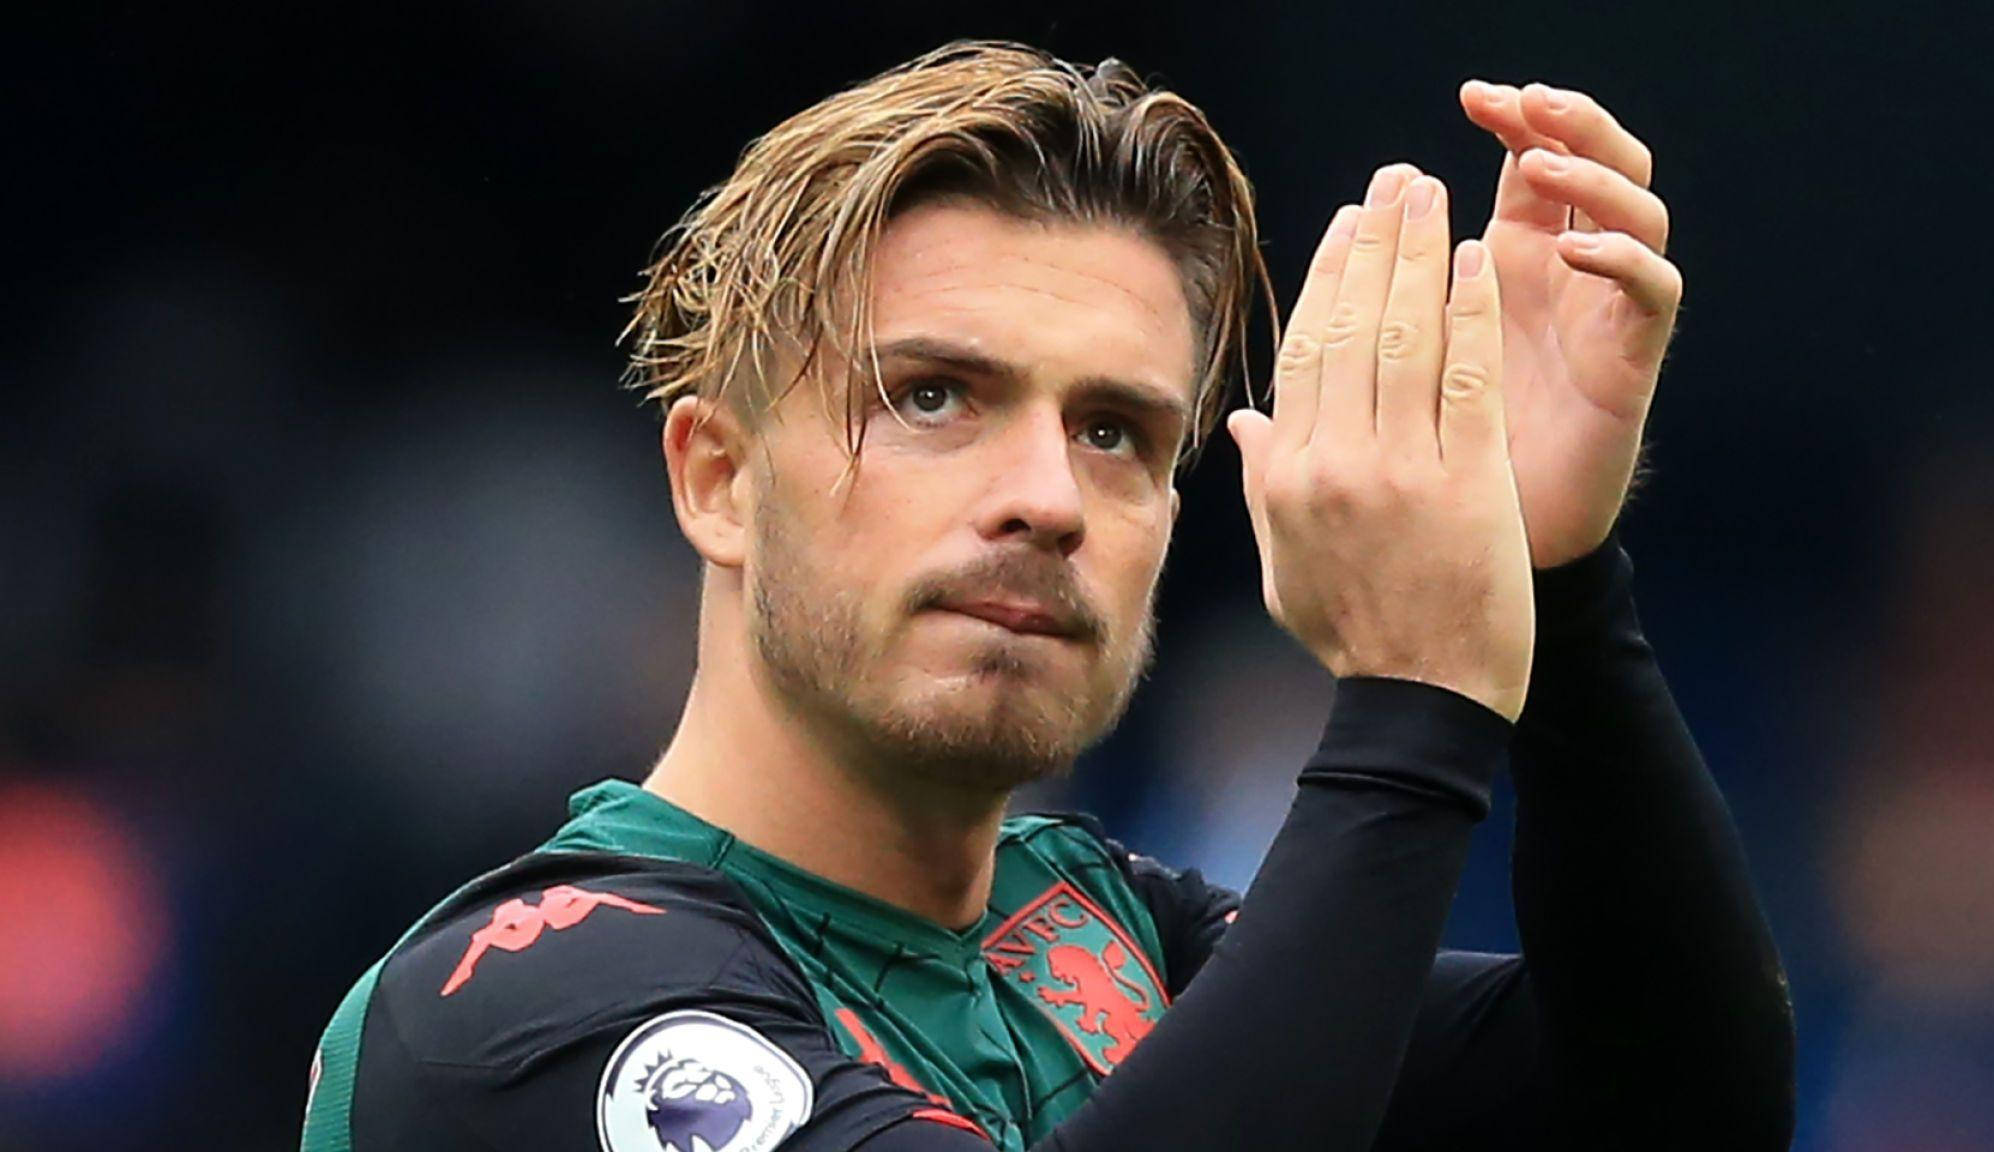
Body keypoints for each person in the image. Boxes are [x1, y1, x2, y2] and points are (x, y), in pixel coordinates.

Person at [302, 41, 1793, 1151]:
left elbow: (1673, 1103)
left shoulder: (1103, 932)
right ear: (719, 481)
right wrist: (1412, 706)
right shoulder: (525, 1014)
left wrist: (1546, 579)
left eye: (1116, 432)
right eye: (934, 396)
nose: (1049, 497)